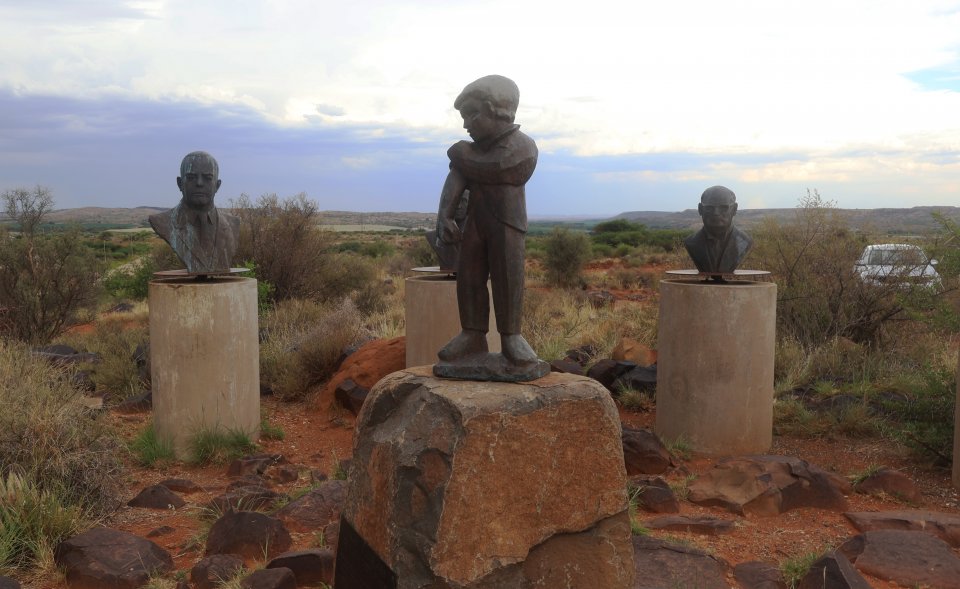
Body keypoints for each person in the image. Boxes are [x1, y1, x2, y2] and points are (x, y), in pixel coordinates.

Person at [434, 75, 543, 370]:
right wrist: (445, 215)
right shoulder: (471, 151)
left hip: (507, 223)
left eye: (472, 114)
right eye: (463, 117)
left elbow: (501, 168)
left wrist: (461, 155)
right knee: (469, 278)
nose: (466, 124)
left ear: (498, 110)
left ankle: (511, 338)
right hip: (475, 224)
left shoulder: (522, 146)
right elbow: (455, 181)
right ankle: (472, 334)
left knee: (508, 278)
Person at [149, 151, 240, 274]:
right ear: (180, 183)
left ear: (217, 185)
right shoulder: (163, 222)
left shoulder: (232, 224)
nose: (199, 183)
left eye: (208, 178)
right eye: (191, 177)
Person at [683, 185, 753, 275]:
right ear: (700, 209)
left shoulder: (744, 241)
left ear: (734, 209)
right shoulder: (691, 242)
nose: (716, 213)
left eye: (723, 208)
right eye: (709, 208)